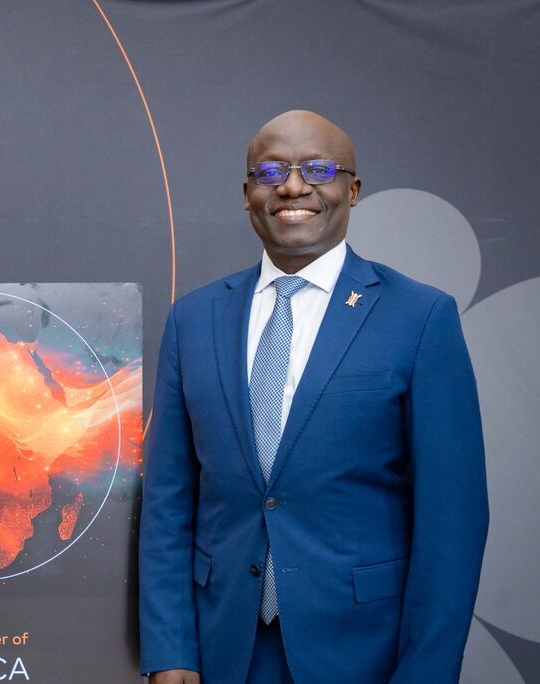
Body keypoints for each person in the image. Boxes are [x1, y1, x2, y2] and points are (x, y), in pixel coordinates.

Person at [139, 110, 488, 683]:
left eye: (318, 170)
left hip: (364, 653)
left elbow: (453, 522)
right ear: (247, 194)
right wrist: (169, 649)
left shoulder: (420, 317)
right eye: (270, 171)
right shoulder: (193, 320)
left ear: (353, 190)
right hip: (222, 649)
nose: (293, 187)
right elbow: (168, 503)